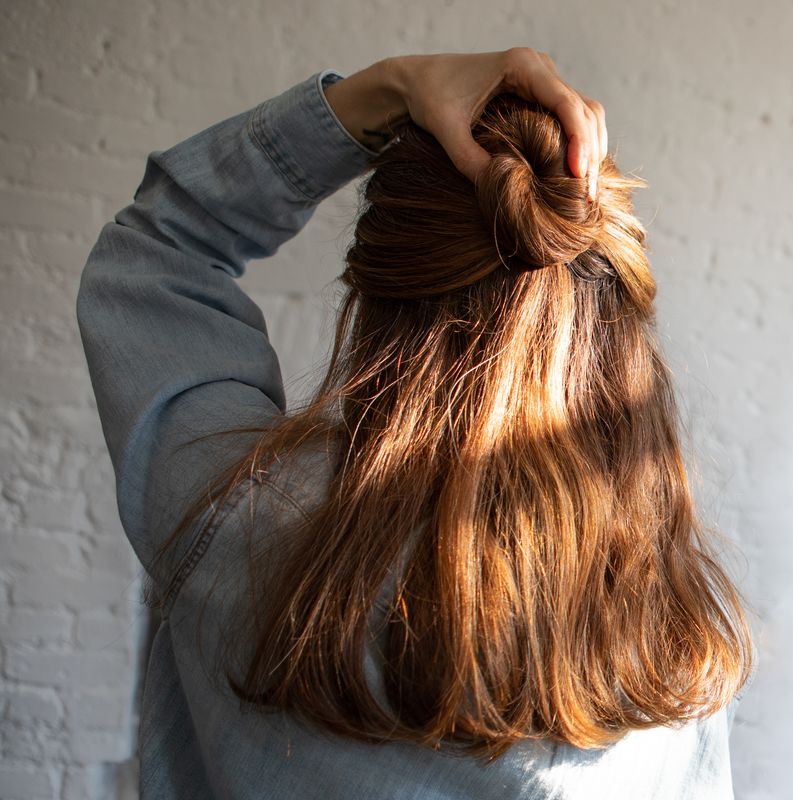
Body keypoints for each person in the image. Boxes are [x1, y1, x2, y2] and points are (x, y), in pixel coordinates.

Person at [76, 48, 755, 799]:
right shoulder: (665, 649)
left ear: (377, 305)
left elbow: (157, 251)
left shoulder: (240, 525)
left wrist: (382, 91)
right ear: (612, 327)